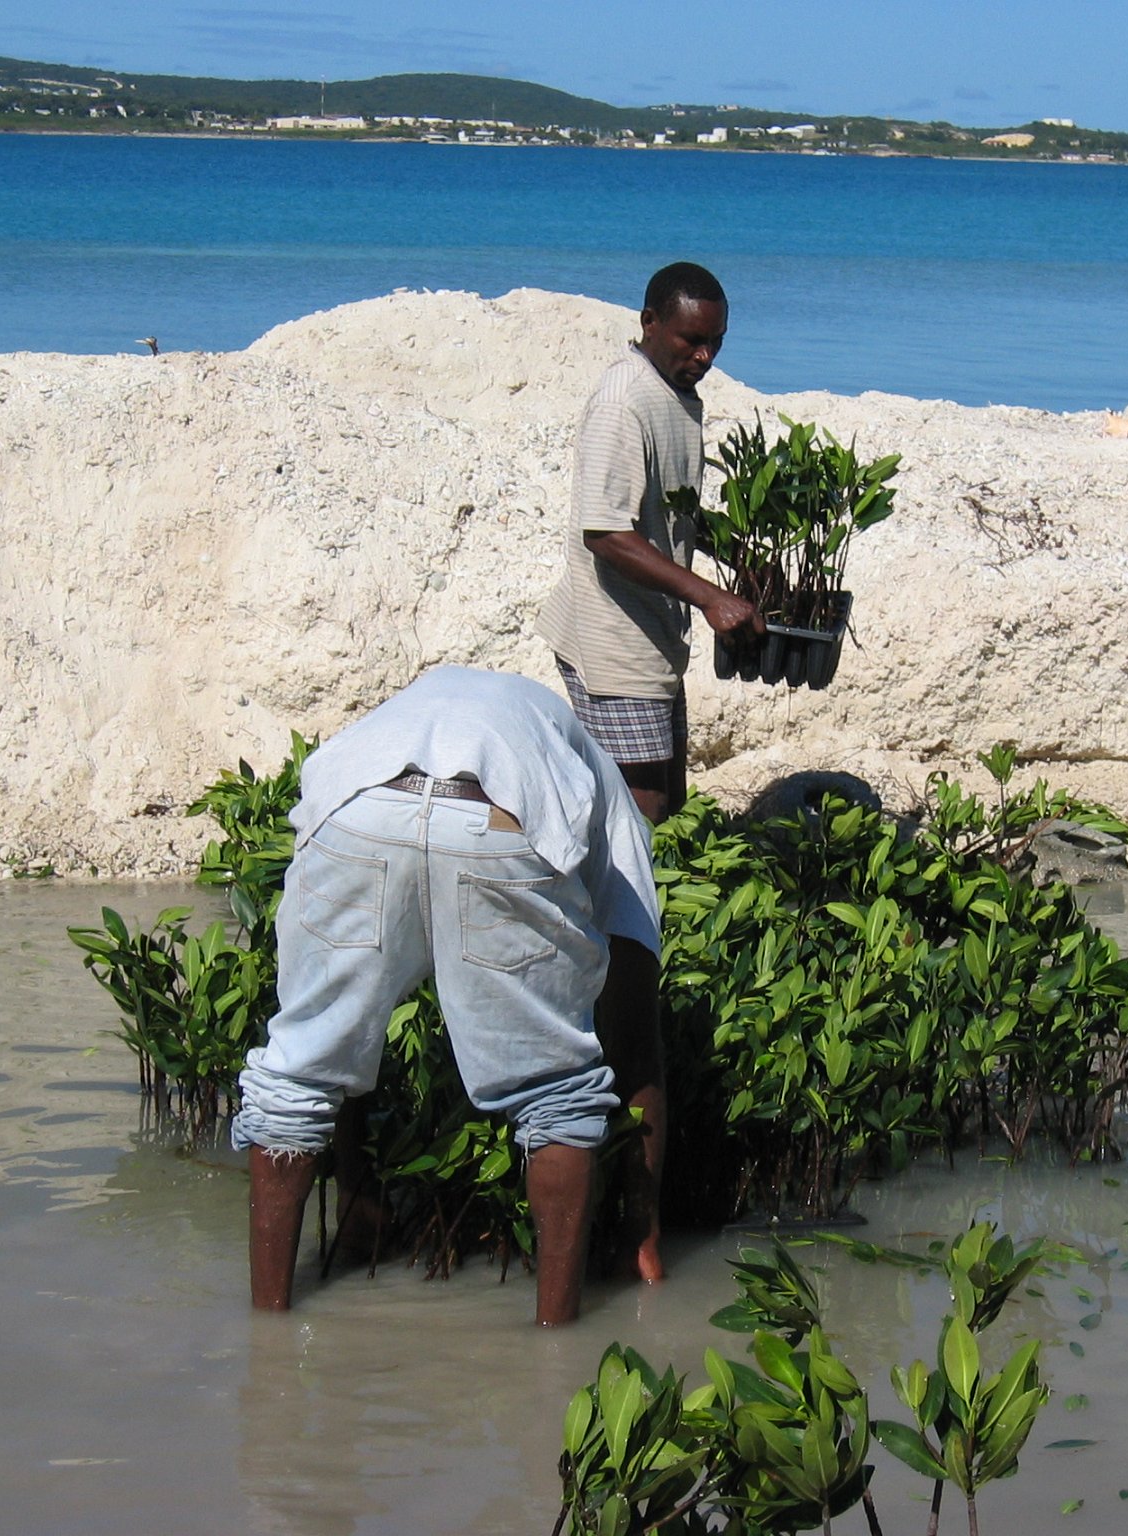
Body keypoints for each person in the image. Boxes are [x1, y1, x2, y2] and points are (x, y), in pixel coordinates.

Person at [230, 666, 661, 1326]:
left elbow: (349, 1018)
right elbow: (633, 1015)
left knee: (303, 1067)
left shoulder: (432, 705)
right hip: (499, 817)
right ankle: (557, 1342)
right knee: (556, 1094)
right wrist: (644, 1227)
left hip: (356, 809)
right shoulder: (609, 795)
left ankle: (268, 1335)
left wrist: (357, 1185)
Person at [534, 264, 762, 1283]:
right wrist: (708, 600)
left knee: (652, 807)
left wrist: (729, 572)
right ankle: (611, 986)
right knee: (634, 820)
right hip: (615, 646)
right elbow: (604, 531)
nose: (700, 357)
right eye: (685, 343)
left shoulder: (680, 400)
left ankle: (613, 955)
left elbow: (668, 518)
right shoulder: (622, 400)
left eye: (711, 343)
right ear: (647, 326)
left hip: (651, 641)